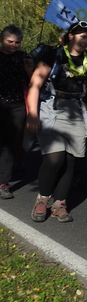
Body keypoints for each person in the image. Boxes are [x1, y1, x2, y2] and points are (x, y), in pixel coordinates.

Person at [26, 21, 87, 222]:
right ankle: (43, 198)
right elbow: (35, 85)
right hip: (52, 108)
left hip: (76, 112)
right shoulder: (53, 56)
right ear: (71, 36)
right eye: (81, 36)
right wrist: (32, 115)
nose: (85, 41)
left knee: (71, 160)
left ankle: (60, 203)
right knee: (54, 158)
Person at [0, 25, 33, 199]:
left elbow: (34, 82)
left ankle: (3, 182)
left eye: (17, 42)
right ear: (2, 40)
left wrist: (29, 70)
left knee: (10, 143)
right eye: (10, 41)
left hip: (16, 105)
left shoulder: (23, 57)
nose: (13, 45)